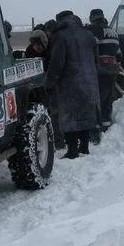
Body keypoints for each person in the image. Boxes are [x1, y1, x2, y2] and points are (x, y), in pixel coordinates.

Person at [45, 10, 101, 159]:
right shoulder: (88, 34)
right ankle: (84, 147)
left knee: (69, 116)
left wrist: (49, 83)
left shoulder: (60, 36)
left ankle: (72, 150)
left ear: (60, 20)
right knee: (85, 114)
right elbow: (96, 59)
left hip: (69, 83)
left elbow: (57, 62)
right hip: (89, 81)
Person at [86, 9, 121, 135]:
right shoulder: (113, 32)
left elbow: (89, 48)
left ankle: (94, 133)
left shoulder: (96, 31)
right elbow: (118, 54)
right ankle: (106, 128)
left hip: (99, 71)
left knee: (96, 100)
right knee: (107, 101)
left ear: (93, 20)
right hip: (112, 70)